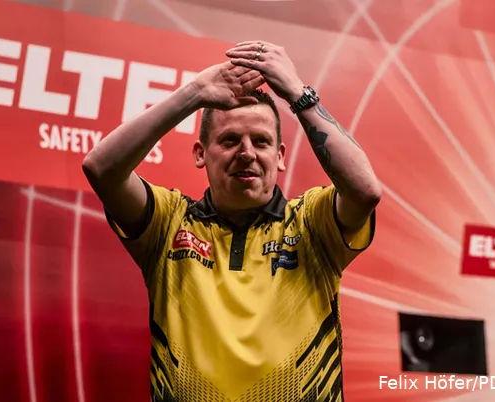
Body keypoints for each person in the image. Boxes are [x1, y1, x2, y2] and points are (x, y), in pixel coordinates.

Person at [82, 40, 381, 401]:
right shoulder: (169, 222)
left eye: (261, 141)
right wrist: (194, 93)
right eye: (229, 140)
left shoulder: (311, 223)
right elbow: (101, 169)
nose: (246, 153)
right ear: (200, 153)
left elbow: (365, 190)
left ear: (280, 156)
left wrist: (297, 93)